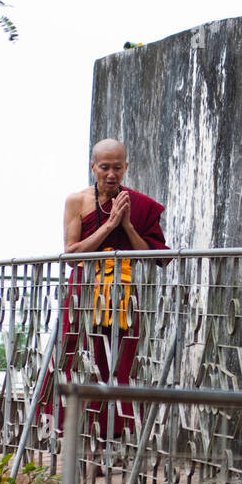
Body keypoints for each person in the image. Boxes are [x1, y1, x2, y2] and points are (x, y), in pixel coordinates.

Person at [38, 138, 169, 450]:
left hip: (123, 295)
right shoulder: (77, 201)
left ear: (126, 167)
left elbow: (155, 257)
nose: (111, 174)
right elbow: (71, 253)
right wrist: (109, 227)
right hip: (84, 292)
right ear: (93, 167)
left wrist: (127, 225)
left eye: (117, 167)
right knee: (73, 358)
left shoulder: (138, 204)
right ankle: (65, 436)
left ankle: (112, 440)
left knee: (117, 364)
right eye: (105, 167)